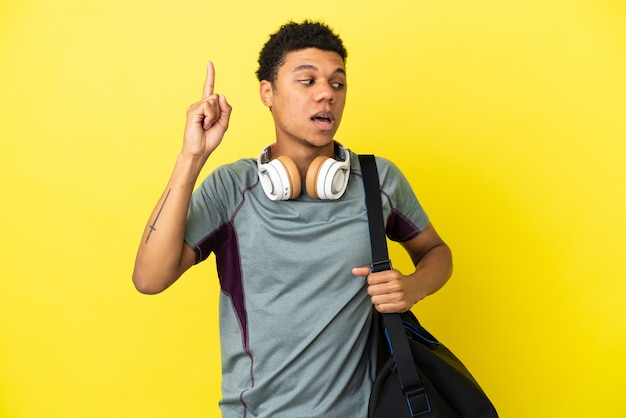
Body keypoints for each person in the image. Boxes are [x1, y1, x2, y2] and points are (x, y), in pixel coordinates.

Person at [132, 20, 453, 418]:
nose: (326, 94)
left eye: (338, 84)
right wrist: (191, 157)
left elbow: (437, 252)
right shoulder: (233, 188)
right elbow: (149, 278)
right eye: (307, 81)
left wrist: (414, 286)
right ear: (268, 92)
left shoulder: (377, 180)